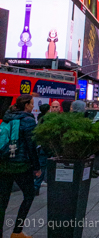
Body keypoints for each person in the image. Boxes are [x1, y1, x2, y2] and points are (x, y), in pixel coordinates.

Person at [0, 95, 41, 238]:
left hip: (4, 163)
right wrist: (37, 166)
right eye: (31, 104)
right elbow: (31, 146)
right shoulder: (28, 120)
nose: (32, 107)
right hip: (21, 165)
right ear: (26, 105)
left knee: (2, 201)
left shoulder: (7, 117)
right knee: (29, 195)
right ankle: (17, 231)